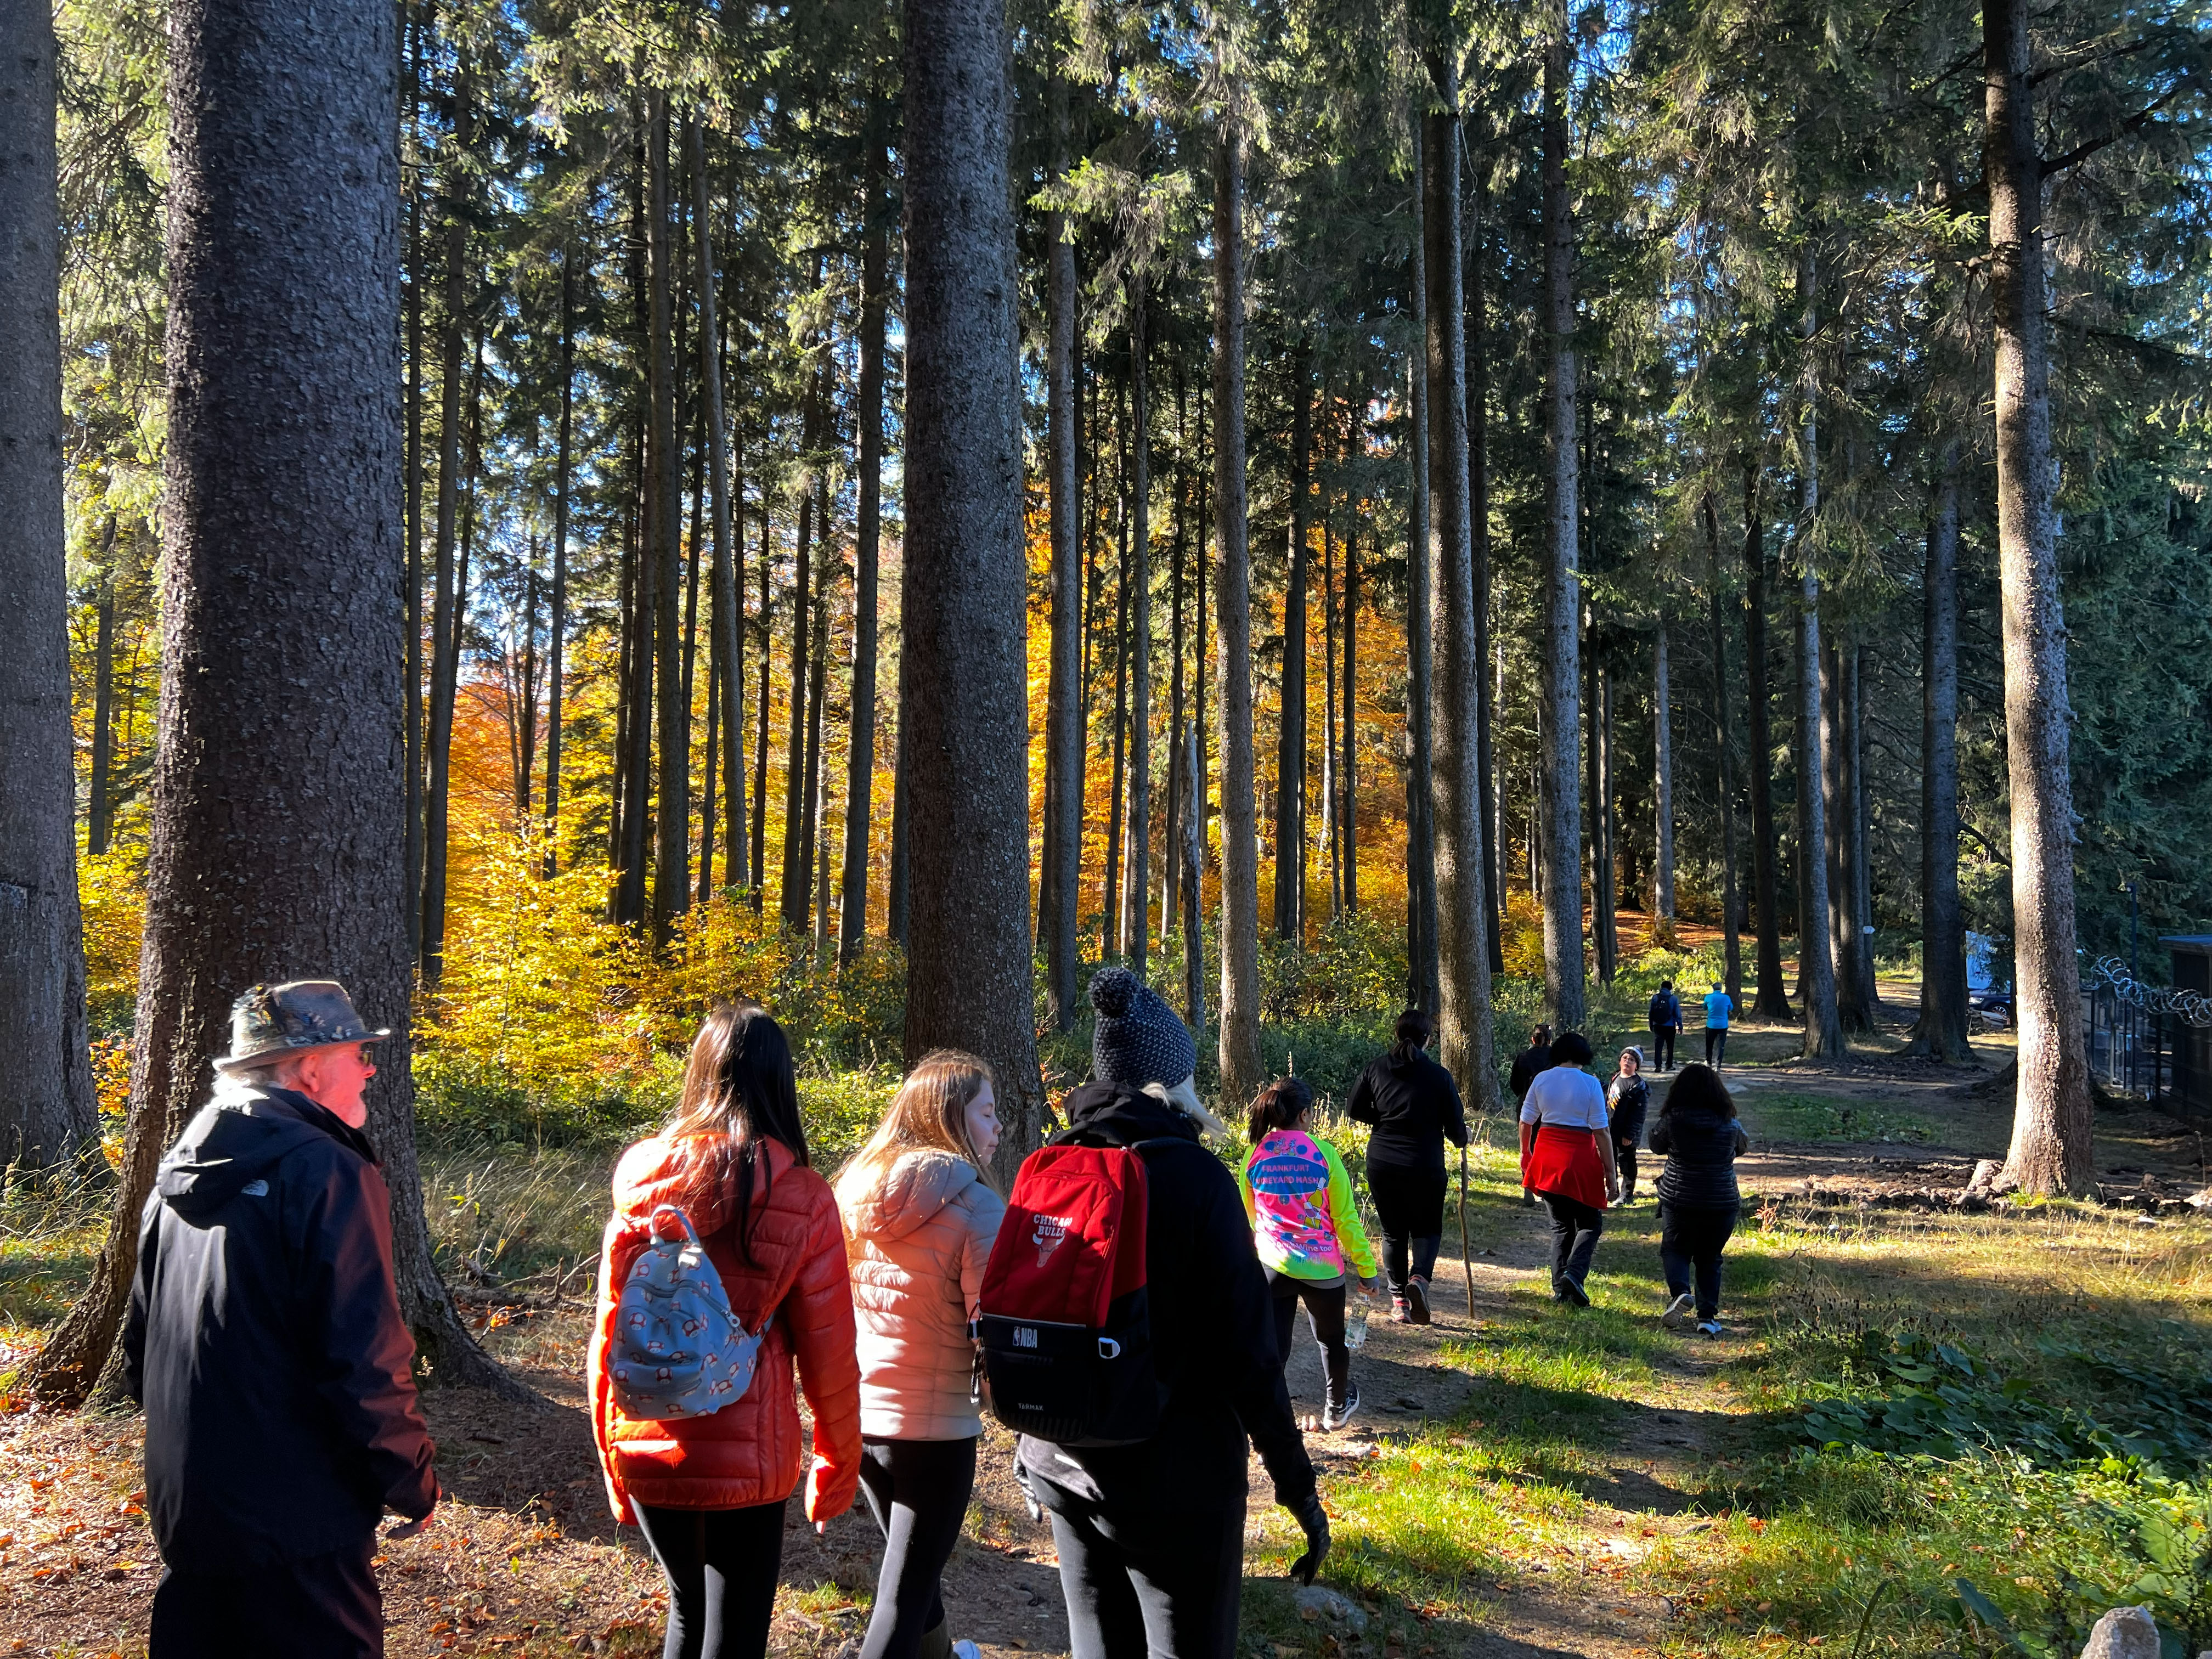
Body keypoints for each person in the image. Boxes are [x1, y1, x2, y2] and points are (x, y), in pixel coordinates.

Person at [123, 979, 438, 1659]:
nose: (370, 1068)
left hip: (193, 1510)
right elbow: (363, 1353)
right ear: (310, 1066)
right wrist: (411, 1479)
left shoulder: (180, 1166)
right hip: (300, 1522)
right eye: (358, 1053)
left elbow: (140, 1345)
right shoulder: (326, 1169)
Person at [1019, 967, 1325, 1659]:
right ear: (1174, 1081)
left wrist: (1028, 1440)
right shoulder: (1196, 1180)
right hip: (1177, 1474)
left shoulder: (1051, 1162)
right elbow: (1252, 1355)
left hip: (1064, 1460)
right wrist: (1296, 1484)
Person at [588, 1002, 862, 1659]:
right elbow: (832, 1355)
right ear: (780, 1083)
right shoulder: (801, 1195)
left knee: (685, 1613)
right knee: (737, 1631)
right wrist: (836, 1471)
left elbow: (606, 1338)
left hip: (648, 1437)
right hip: (752, 1452)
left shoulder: (642, 1186)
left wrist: (613, 1467)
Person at [836, 1052, 1007, 1659]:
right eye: (988, 1113)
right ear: (954, 1117)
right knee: (903, 1596)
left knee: (913, 1573)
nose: (998, 1128)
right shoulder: (980, 1209)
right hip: (935, 1431)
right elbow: (995, 1329)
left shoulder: (852, 1191)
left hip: (862, 1421)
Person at [1239, 1076, 1381, 1429]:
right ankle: (1336, 1408)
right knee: (1332, 1341)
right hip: (1323, 1269)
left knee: (1275, 1348)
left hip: (1272, 1266)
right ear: (1304, 1115)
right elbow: (1346, 1219)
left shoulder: (1253, 1155)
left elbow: (1251, 1217)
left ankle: (1273, 1417)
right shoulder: (1325, 1154)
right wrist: (1367, 1268)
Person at [1346, 1008, 1468, 1325]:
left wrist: (1384, 1119)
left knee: (1393, 1232)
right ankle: (1419, 1281)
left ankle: (1399, 1302)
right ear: (1428, 1039)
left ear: (1397, 1035)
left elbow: (1353, 1108)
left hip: (1383, 1160)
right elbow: (1455, 1123)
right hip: (1425, 1162)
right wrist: (1460, 1139)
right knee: (1427, 1228)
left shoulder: (1376, 1068)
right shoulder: (1439, 1076)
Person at [1647, 1063, 1751, 1336]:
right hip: (1721, 1200)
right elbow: (1742, 1147)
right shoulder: (1731, 1124)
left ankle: (1681, 1293)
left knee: (1675, 1248)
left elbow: (1655, 1145)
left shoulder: (1673, 1120)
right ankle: (1707, 1317)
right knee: (1710, 1256)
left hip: (1680, 1198)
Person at [1516, 1031, 1618, 1307]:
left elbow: (1526, 1122)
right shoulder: (1591, 1084)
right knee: (1590, 1223)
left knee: (1561, 1227)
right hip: (1580, 1158)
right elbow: (1601, 1132)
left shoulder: (1542, 1079)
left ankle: (1561, 1289)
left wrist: (1526, 1153)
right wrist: (1611, 1173)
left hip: (1548, 1154)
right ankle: (1573, 1274)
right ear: (1584, 1056)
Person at [1506, 1024, 1555, 1208]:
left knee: (1527, 1146)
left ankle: (1528, 1185)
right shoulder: (1556, 1059)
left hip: (1526, 1105)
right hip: (1550, 1107)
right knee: (1548, 1146)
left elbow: (1515, 1085)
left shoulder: (1523, 1057)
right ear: (1550, 1040)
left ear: (1533, 1039)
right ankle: (1546, 1187)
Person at [1606, 1047, 1651, 1205]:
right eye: (1625, 1058)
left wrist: (1629, 1135)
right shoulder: (1616, 1078)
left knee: (1627, 1163)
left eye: (1631, 1060)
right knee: (1609, 1161)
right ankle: (1611, 1190)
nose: (1627, 1061)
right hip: (1610, 1129)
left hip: (1627, 1133)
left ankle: (1627, 1195)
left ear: (1637, 1066)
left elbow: (1638, 1116)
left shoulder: (1638, 1086)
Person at [1647, 981, 1682, 1073]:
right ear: (1670, 988)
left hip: (1658, 1026)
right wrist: (1680, 1026)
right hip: (1670, 1026)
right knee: (1670, 1047)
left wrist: (1651, 1024)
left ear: (1662, 987)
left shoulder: (1655, 998)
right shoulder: (1673, 999)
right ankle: (1669, 1065)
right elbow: (1678, 1014)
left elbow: (1651, 1012)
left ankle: (1658, 1065)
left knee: (1658, 1046)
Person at [1703, 981, 1736, 1068]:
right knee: (1721, 1046)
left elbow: (1704, 1008)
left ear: (1713, 989)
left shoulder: (1708, 997)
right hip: (1723, 1025)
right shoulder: (1727, 998)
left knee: (1709, 1044)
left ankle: (1709, 1062)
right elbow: (1731, 1008)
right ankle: (1718, 1065)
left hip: (1711, 1025)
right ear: (1721, 989)